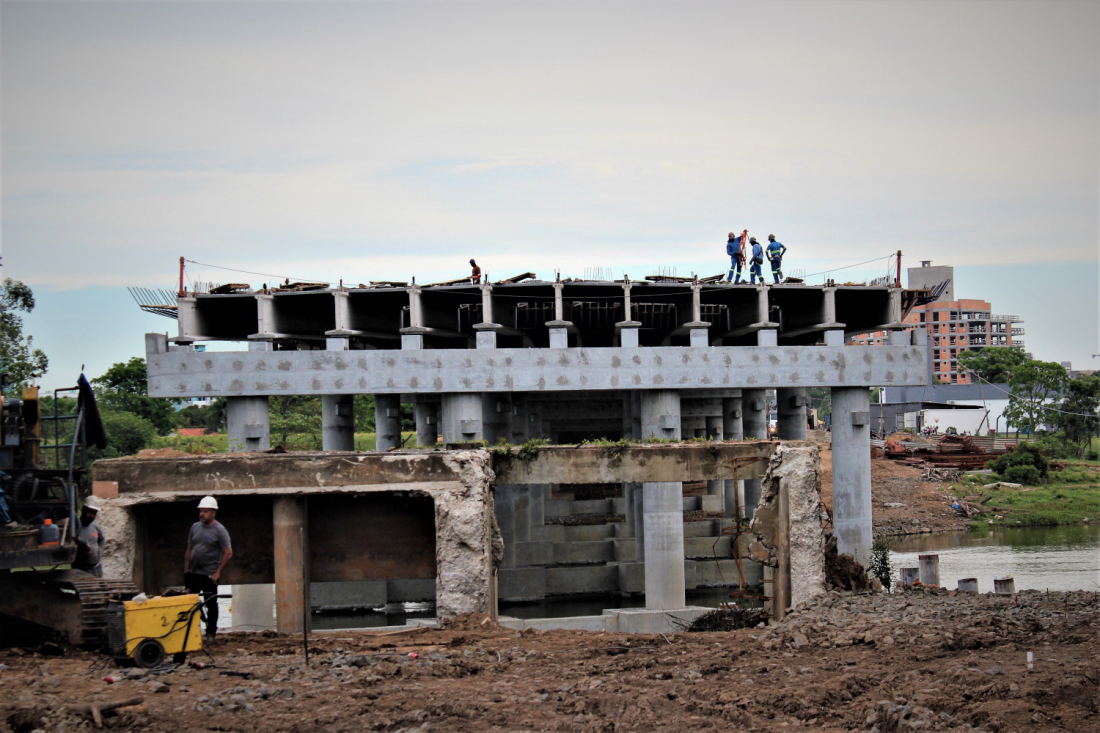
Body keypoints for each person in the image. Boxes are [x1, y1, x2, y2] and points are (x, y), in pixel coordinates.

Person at [184, 496, 232, 641]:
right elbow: (189, 549)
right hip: (194, 572)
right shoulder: (195, 527)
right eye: (201, 511)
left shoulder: (220, 530)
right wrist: (186, 570)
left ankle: (211, 632)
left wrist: (217, 573)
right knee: (190, 604)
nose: (202, 514)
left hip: (209, 574)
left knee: (211, 603)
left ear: (213, 513)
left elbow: (228, 553)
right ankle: (191, 632)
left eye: (205, 511)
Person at [73, 495, 105, 577]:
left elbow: (101, 539)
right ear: (83, 510)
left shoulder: (95, 527)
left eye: (94, 513)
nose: (91, 516)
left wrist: (99, 552)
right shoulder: (74, 528)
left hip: (96, 569)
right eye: (89, 512)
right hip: (80, 570)